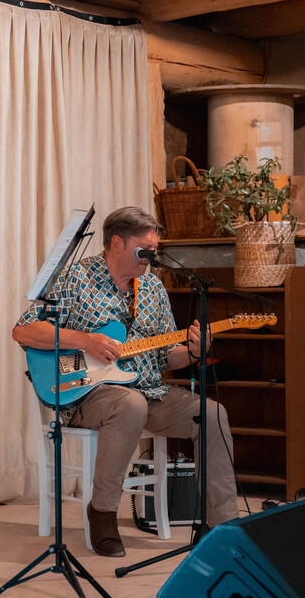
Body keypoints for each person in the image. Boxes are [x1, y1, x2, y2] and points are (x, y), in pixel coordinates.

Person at [14, 206, 239, 557]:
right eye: (143, 250)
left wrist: (195, 353)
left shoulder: (152, 288)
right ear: (117, 243)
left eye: (155, 250)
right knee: (129, 404)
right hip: (87, 395)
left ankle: (222, 524)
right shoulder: (75, 277)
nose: (151, 257)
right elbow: (24, 330)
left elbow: (168, 356)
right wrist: (85, 340)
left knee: (212, 414)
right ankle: (102, 512)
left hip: (150, 391)